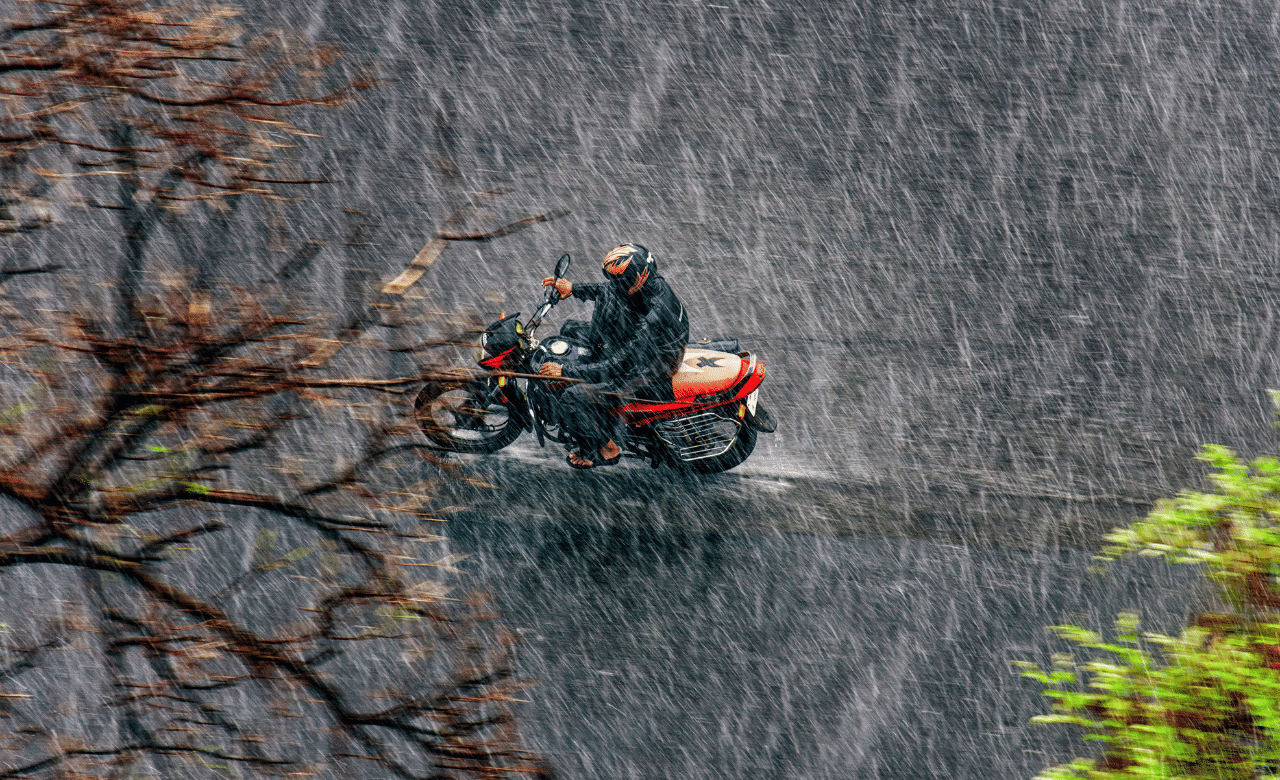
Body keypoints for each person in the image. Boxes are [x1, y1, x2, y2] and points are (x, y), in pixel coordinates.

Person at [537, 243, 689, 469]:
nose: (614, 285)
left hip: (652, 365)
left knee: (573, 397)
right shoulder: (646, 285)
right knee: (570, 329)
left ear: (638, 277)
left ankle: (608, 448)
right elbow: (607, 290)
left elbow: (622, 363)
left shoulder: (654, 315)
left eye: (620, 281)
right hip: (648, 347)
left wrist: (565, 371)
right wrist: (574, 289)